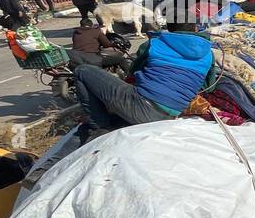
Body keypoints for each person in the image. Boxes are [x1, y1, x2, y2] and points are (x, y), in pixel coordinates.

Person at [74, 30, 214, 139]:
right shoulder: (209, 54)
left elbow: (133, 72)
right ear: (195, 28)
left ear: (169, 29)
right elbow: (209, 86)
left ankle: (100, 127)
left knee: (82, 70)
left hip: (142, 107)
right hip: (172, 113)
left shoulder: (154, 44)